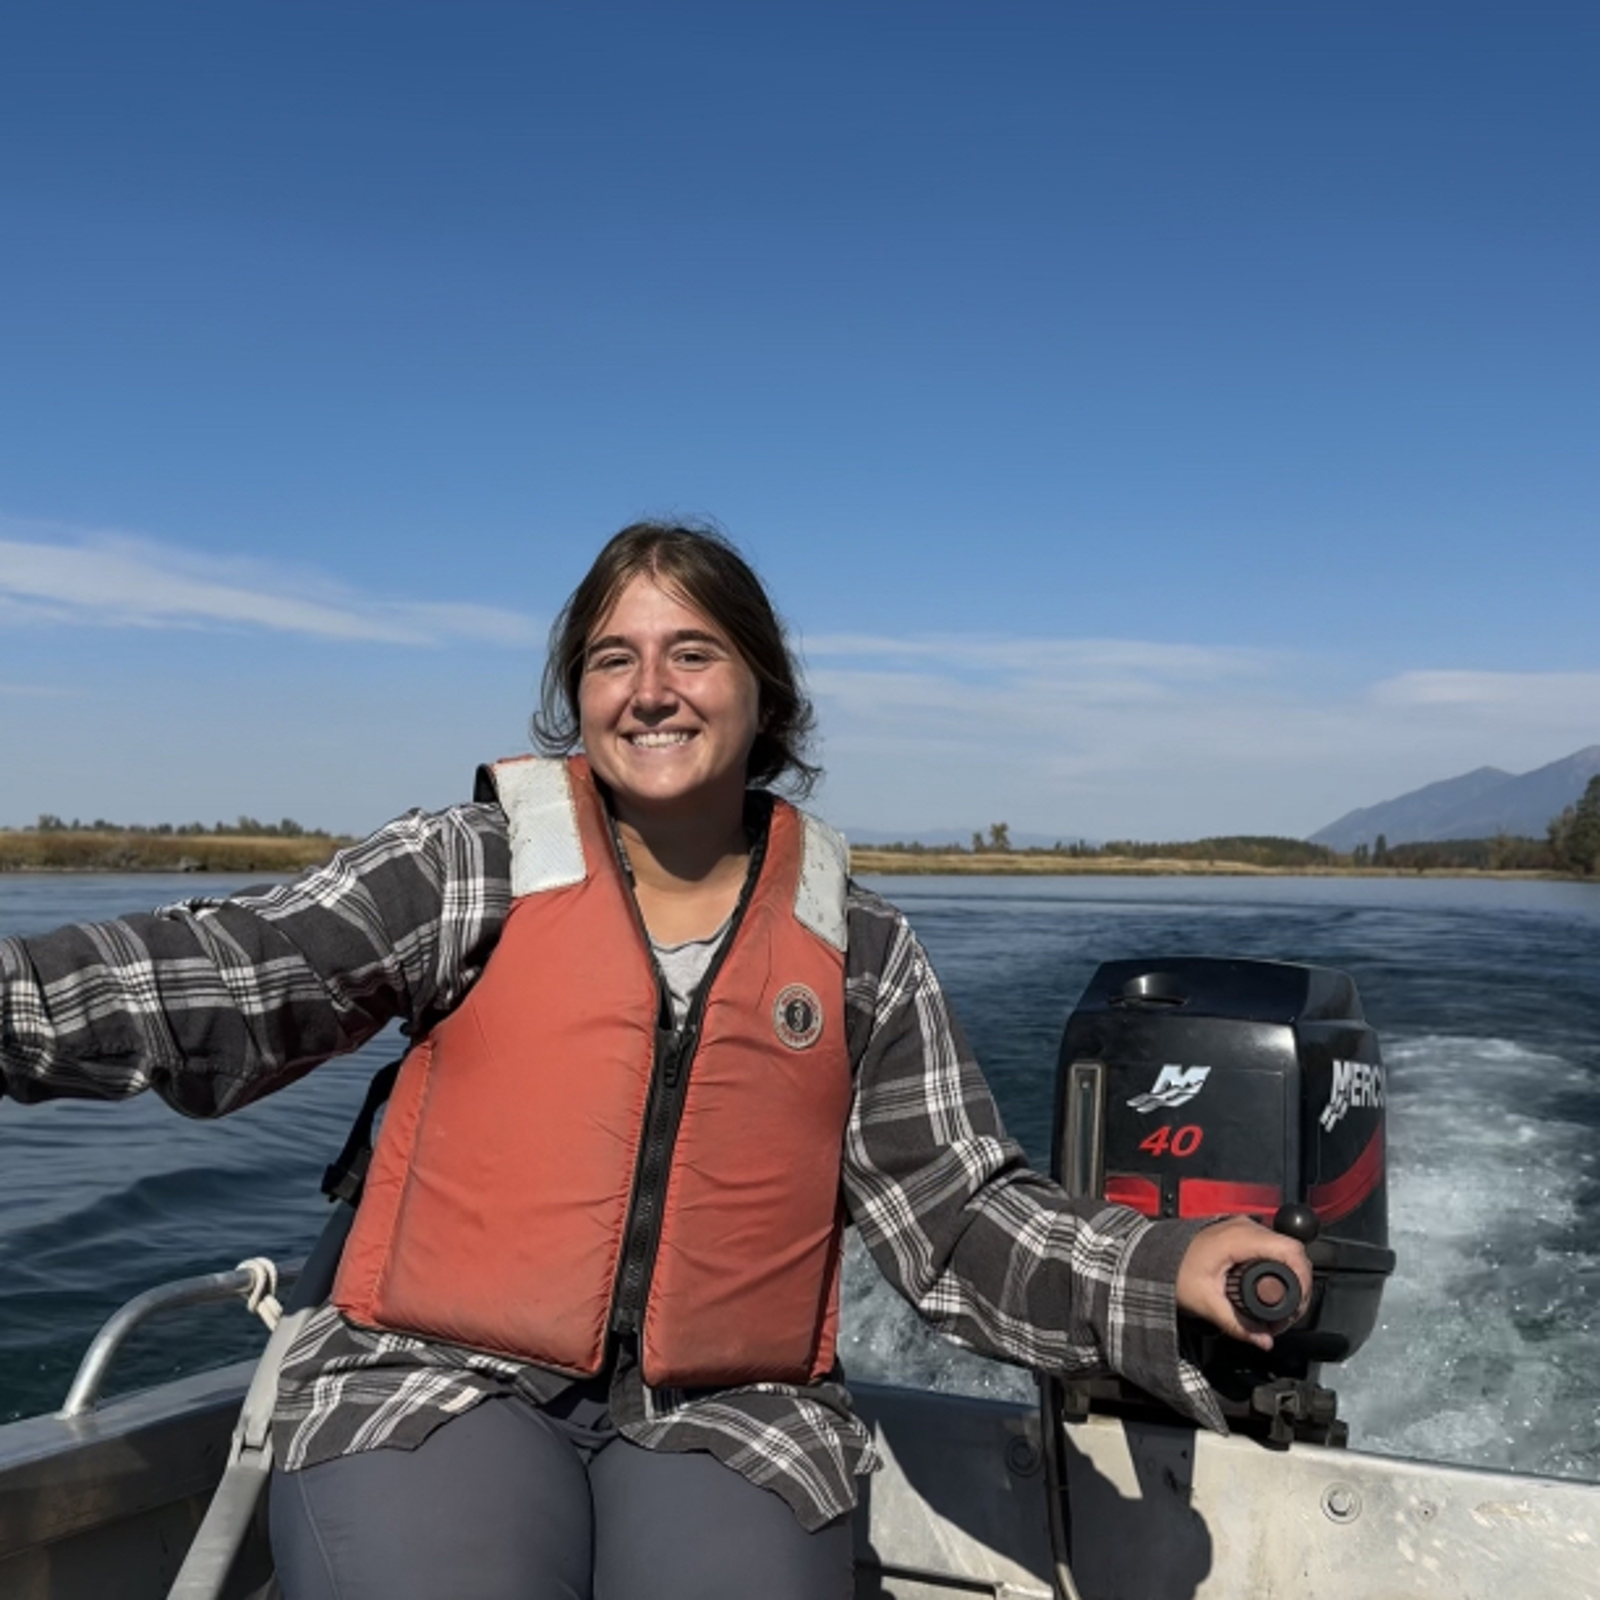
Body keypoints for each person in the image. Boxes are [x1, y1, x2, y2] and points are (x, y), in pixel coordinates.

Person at [0, 522, 1311, 1600]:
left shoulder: (857, 946)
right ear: (579, 696)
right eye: (613, 658)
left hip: (733, 1415)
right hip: (432, 1379)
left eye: (693, 651)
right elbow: (236, 974)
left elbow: (958, 1220)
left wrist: (1165, 1268)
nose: (651, 689)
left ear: (763, 691)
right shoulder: (470, 867)